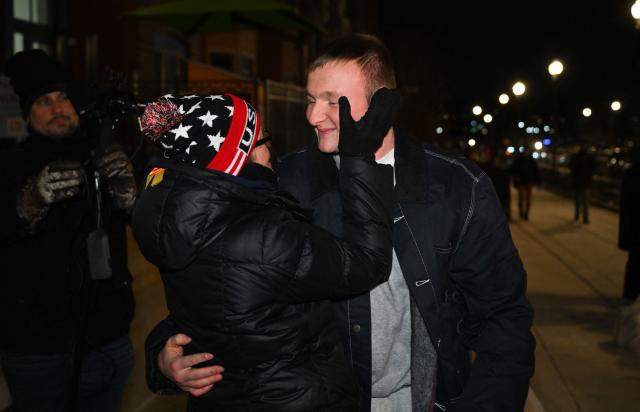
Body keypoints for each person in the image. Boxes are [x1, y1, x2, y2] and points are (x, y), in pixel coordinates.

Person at [149, 34, 535, 411]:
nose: (313, 115)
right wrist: (165, 356)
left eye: (332, 101)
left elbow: (503, 319)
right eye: (311, 99)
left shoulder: (456, 188)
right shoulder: (284, 182)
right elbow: (219, 286)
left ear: (381, 104)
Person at [132, 91, 396, 411]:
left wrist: (161, 357)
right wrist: (359, 158)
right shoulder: (264, 239)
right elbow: (369, 263)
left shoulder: (179, 221)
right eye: (263, 139)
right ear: (241, 155)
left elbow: (213, 312)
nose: (272, 150)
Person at [0, 49, 137, 411]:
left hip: (107, 339)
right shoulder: (9, 168)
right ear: (26, 115)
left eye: (63, 98)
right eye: (44, 102)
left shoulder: (104, 157)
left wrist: (132, 200)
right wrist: (25, 205)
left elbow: (156, 239)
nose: (58, 108)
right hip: (36, 348)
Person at [619, 148, 640, 304]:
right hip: (635, 228)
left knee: (634, 262)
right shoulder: (634, 174)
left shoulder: (632, 173)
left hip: (633, 228)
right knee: (635, 263)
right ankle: (630, 295)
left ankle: (630, 294)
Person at [569, 143, 597, 224]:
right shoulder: (579, 157)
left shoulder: (587, 157)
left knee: (583, 201)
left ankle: (583, 217)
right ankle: (579, 216)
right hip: (581, 182)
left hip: (583, 182)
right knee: (580, 201)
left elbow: (594, 167)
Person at [510, 146, 540, 221]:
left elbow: (536, 171)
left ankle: (526, 213)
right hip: (521, 181)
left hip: (529, 181)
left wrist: (536, 180)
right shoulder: (519, 160)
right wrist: (516, 179)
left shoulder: (531, 160)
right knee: (521, 197)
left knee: (528, 198)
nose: (526, 152)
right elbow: (514, 170)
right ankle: (521, 211)